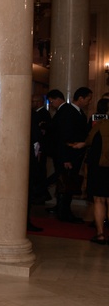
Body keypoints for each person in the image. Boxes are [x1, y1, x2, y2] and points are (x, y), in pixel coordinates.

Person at [51, 86, 92, 223]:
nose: (89, 102)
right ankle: (63, 213)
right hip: (68, 155)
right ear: (80, 98)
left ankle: (65, 211)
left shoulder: (80, 113)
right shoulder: (68, 112)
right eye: (88, 99)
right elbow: (63, 137)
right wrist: (66, 159)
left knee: (69, 184)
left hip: (75, 155)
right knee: (65, 184)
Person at [84, 98, 109, 244]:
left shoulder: (98, 125)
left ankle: (100, 234)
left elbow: (88, 141)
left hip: (98, 167)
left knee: (99, 200)